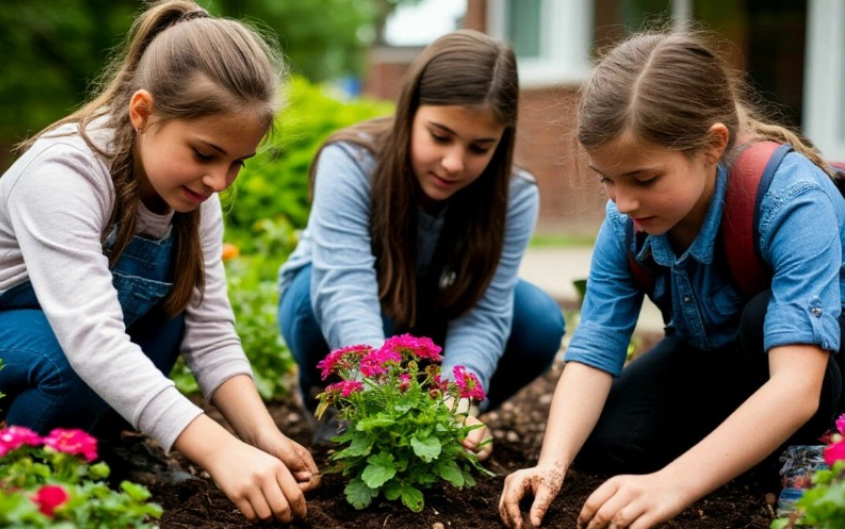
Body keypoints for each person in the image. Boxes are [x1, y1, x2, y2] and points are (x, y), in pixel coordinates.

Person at [500, 31, 845, 529]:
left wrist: (674, 483)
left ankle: (809, 461)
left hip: (816, 369)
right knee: (610, 442)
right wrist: (551, 467)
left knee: (761, 317)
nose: (622, 203)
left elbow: (796, 386)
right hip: (721, 360)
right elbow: (596, 346)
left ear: (713, 144)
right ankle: (748, 450)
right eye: (607, 179)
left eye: (643, 180)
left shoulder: (791, 200)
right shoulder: (626, 223)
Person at [0, 0, 319, 523]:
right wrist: (218, 450)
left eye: (238, 162)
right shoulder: (63, 173)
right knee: (68, 365)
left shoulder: (193, 197)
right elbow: (92, 342)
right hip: (10, 338)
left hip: (74, 341)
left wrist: (261, 436)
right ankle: (17, 471)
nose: (219, 180)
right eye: (205, 153)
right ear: (142, 112)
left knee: (174, 314)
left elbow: (210, 332)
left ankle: (98, 449)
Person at [278, 29, 565, 456]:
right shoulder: (351, 162)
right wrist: (382, 398)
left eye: (479, 147)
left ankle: (443, 425)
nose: (454, 163)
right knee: (311, 293)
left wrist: (459, 396)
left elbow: (485, 310)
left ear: (501, 142)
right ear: (410, 111)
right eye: (440, 136)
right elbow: (345, 288)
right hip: (350, 310)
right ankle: (338, 403)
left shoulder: (515, 193)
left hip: (430, 316)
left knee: (538, 319)